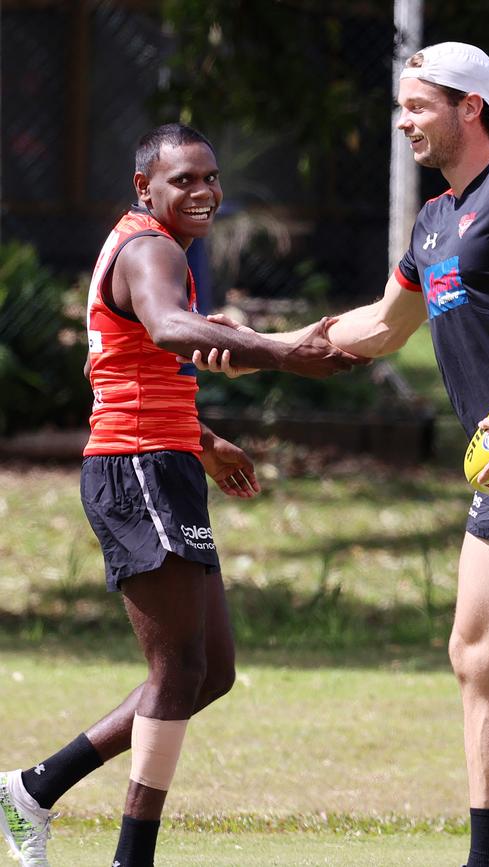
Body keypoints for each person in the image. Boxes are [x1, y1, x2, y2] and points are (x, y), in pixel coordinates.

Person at [196, 43, 489, 867]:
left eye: (417, 106)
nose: (402, 120)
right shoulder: (439, 217)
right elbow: (380, 327)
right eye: (401, 107)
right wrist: (259, 345)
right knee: (474, 651)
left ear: (468, 107)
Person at [0, 122, 365, 867]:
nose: (203, 192)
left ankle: (32, 788)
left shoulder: (158, 248)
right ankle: (131, 857)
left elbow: (133, 364)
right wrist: (288, 355)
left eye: (210, 177)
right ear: (145, 188)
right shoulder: (149, 248)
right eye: (183, 180)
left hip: (162, 461)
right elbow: (167, 329)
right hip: (136, 468)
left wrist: (202, 439)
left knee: (211, 670)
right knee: (178, 673)